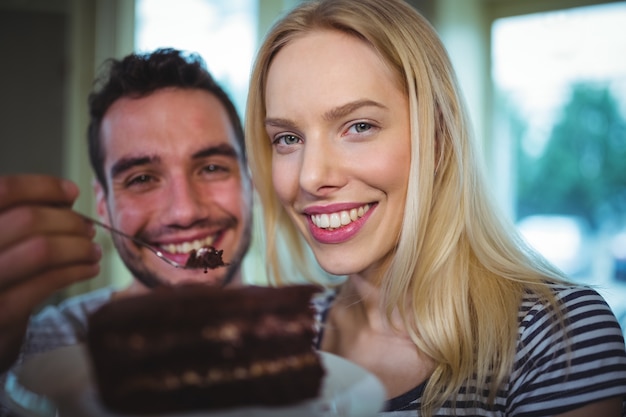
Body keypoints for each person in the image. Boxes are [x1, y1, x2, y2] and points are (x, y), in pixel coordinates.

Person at [244, 0, 626, 415]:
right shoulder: (275, 343)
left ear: (438, 136)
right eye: (287, 138)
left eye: (359, 127)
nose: (310, 177)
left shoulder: (557, 338)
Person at [0, 48, 252, 414]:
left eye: (212, 168)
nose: (185, 211)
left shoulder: (325, 335)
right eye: (142, 178)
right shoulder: (28, 352)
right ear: (102, 204)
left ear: (251, 179)